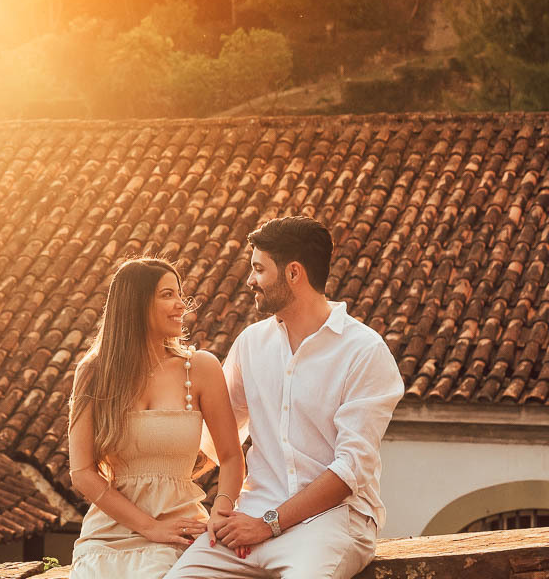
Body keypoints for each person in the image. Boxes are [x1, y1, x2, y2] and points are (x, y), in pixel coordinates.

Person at [165, 216, 405, 579]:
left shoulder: (364, 351)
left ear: (294, 273)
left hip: (332, 523)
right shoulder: (251, 343)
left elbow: (350, 469)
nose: (250, 280)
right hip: (251, 515)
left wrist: (268, 524)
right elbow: (216, 438)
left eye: (259, 269)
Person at [69, 257, 246, 578]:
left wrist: (220, 513)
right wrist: (149, 527)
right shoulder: (93, 372)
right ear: (136, 303)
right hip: (107, 536)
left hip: (182, 530)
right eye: (167, 295)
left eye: (179, 294)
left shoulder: (201, 368)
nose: (181, 305)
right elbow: (82, 473)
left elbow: (232, 457)